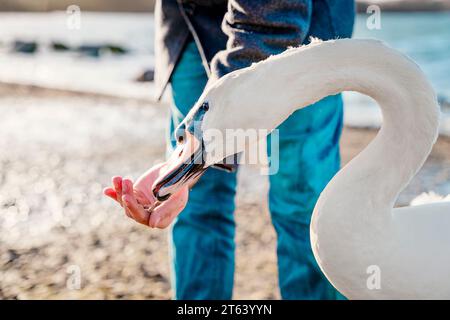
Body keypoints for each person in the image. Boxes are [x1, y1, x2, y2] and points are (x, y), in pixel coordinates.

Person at [104, 0, 355, 299]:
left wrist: (206, 135)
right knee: (196, 203)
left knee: (305, 203)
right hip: (191, 21)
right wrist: (187, 161)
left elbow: (272, 17)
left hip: (305, 24)